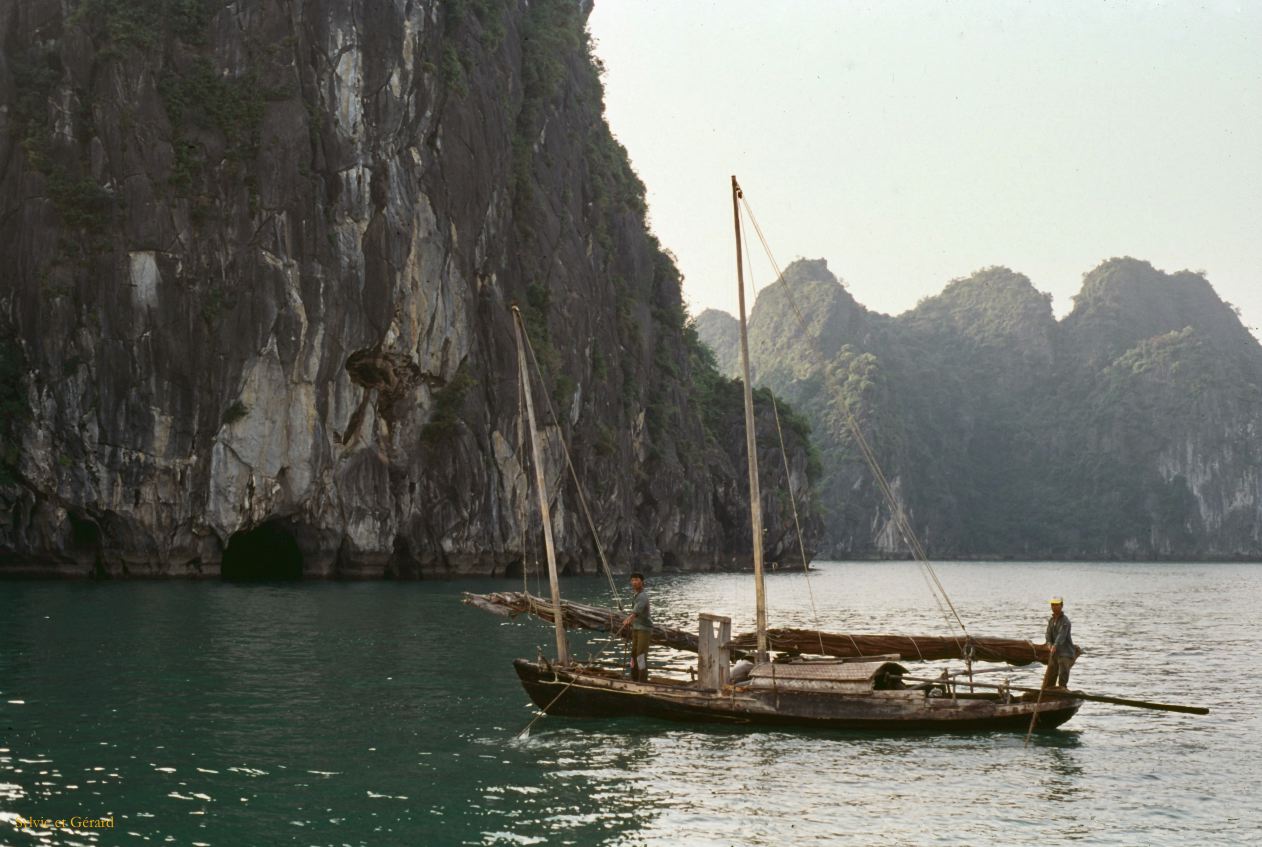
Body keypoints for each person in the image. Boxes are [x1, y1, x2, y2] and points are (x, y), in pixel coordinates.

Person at [619, 572, 652, 682]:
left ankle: (642, 680)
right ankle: (634, 677)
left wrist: (629, 618)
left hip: (644, 629)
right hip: (636, 628)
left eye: (637, 580)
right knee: (633, 654)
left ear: (642, 582)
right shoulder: (636, 595)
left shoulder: (643, 596)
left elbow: (637, 611)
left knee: (640, 655)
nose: (634, 582)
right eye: (632, 580)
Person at [1042, 596, 1078, 689]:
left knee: (1063, 674)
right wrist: (1049, 644)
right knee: (1051, 675)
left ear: (1061, 605)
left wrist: (1055, 645)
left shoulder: (1065, 621)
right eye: (1052, 605)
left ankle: (1063, 690)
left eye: (1056, 605)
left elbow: (1061, 636)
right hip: (1054, 653)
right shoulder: (1051, 620)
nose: (1054, 607)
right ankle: (1049, 692)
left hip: (1065, 652)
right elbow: (1048, 634)